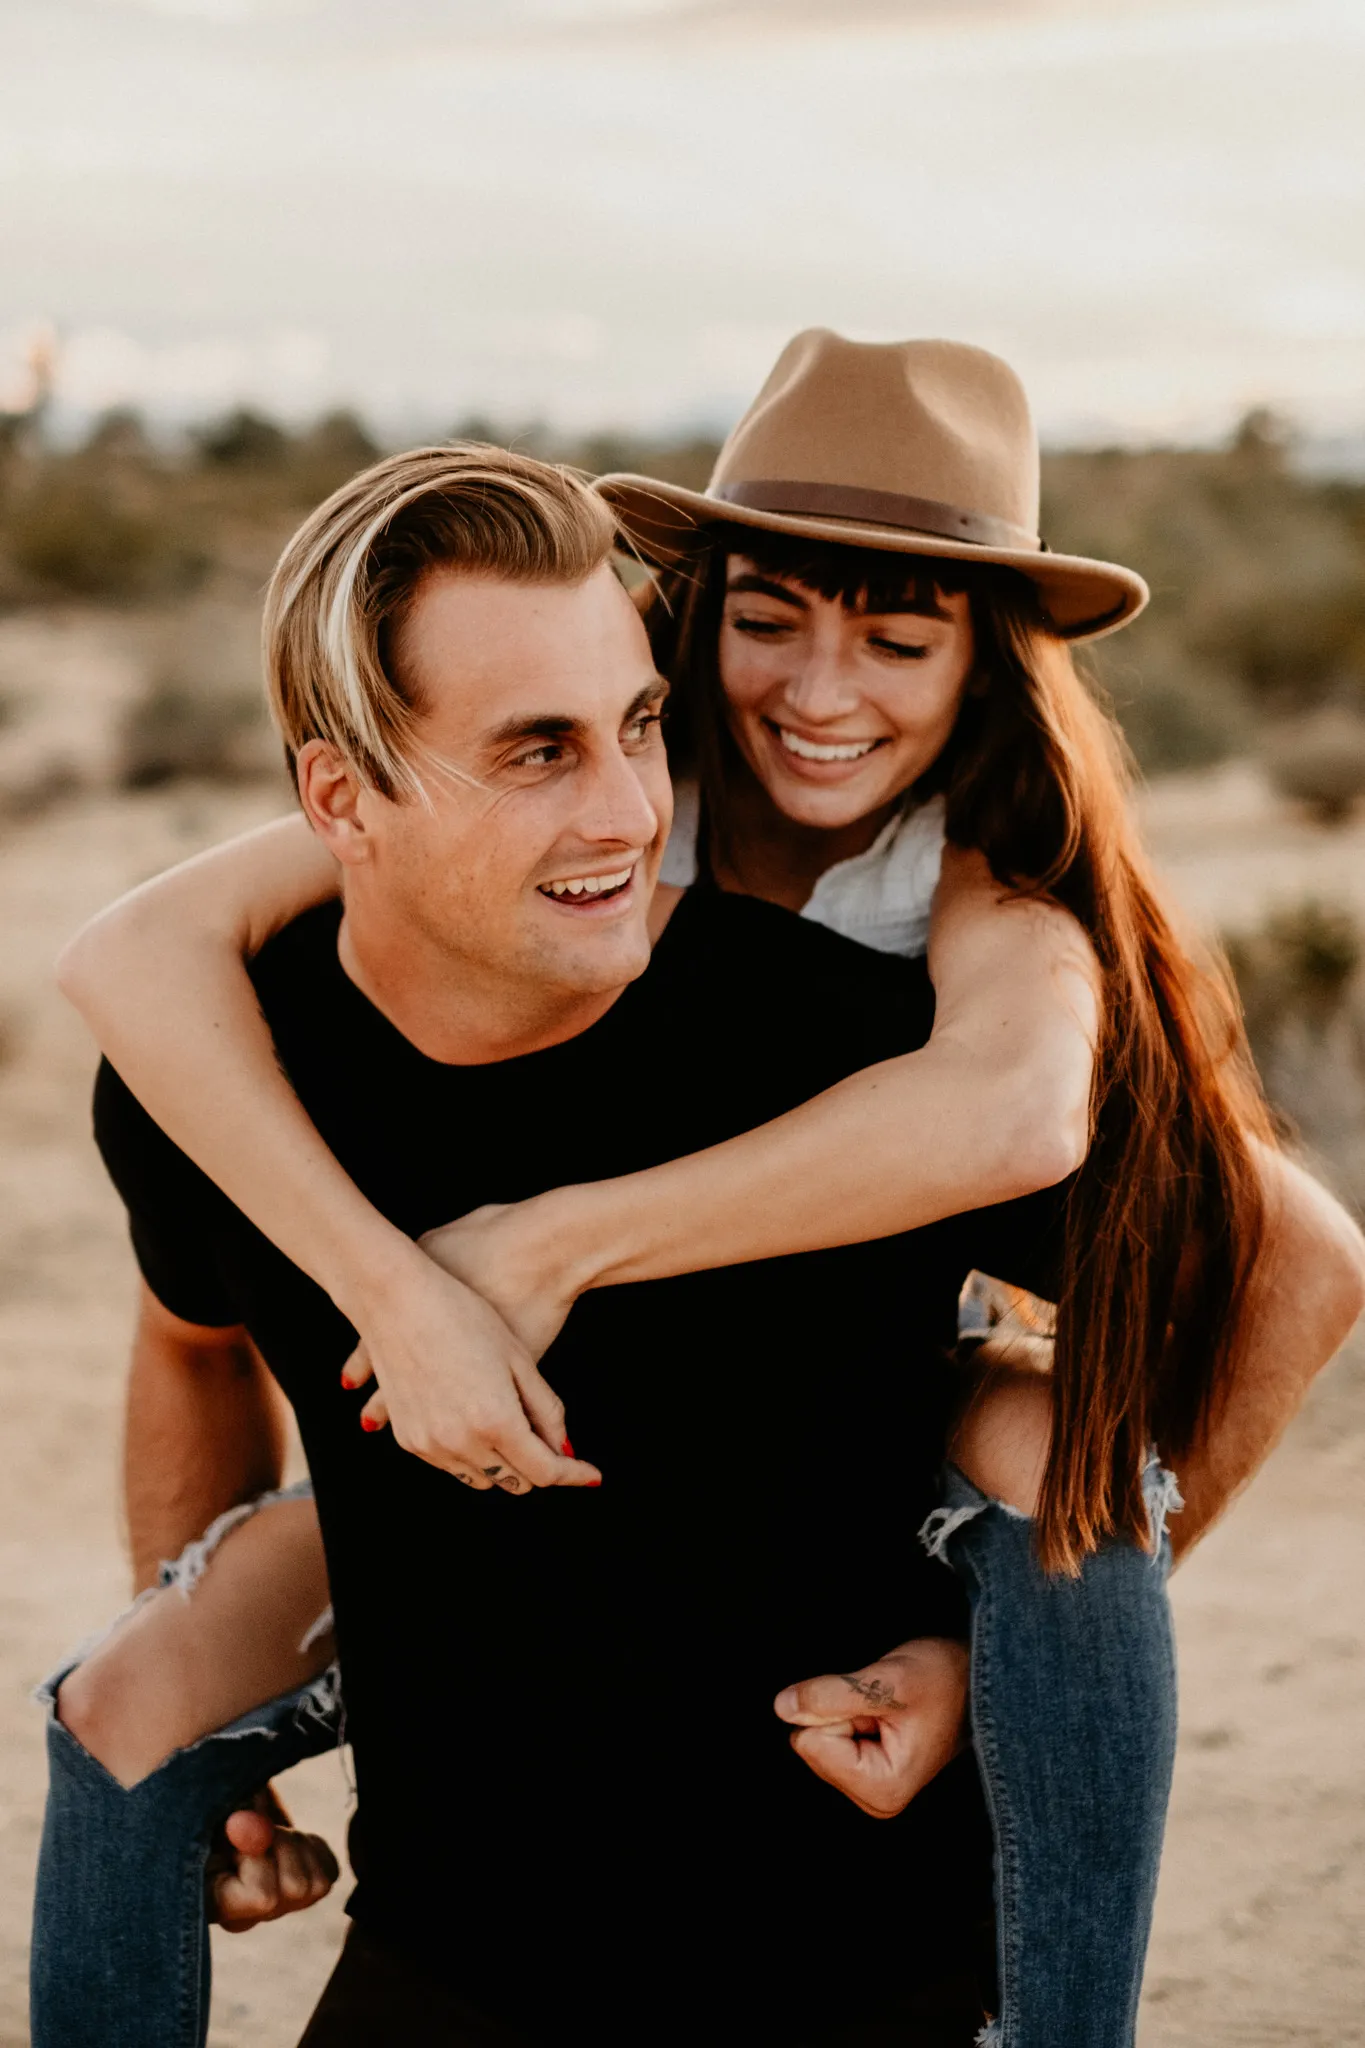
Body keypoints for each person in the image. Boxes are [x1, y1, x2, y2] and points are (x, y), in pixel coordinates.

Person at [37, 339, 1365, 2047]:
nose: (821, 693)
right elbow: (141, 976)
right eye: (766, 624)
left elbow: (1111, 1161)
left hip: (850, 1573)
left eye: (898, 639)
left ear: (982, 676)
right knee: (131, 1699)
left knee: (1062, 1494)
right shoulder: (437, 871)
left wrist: (551, 1243)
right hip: (460, 1835)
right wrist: (395, 1297)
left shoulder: (963, 921)